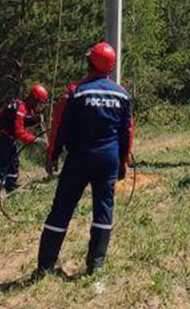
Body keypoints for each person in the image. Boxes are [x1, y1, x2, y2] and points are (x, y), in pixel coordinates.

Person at [36, 42, 134, 276]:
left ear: (90, 63)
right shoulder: (122, 95)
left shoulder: (76, 92)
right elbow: (127, 132)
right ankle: (96, 265)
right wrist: (123, 162)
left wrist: (53, 154)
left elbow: (59, 127)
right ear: (110, 67)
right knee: (104, 209)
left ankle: (45, 266)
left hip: (80, 158)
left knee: (61, 209)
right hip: (108, 159)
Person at [0, 83, 49, 205]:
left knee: (13, 164)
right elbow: (19, 132)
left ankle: (11, 188)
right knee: (3, 166)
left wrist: (35, 119)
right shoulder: (19, 108)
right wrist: (36, 140)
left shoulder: (24, 107)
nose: (39, 107)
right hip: (0, 137)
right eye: (39, 104)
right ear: (33, 100)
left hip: (8, 138)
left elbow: (24, 121)